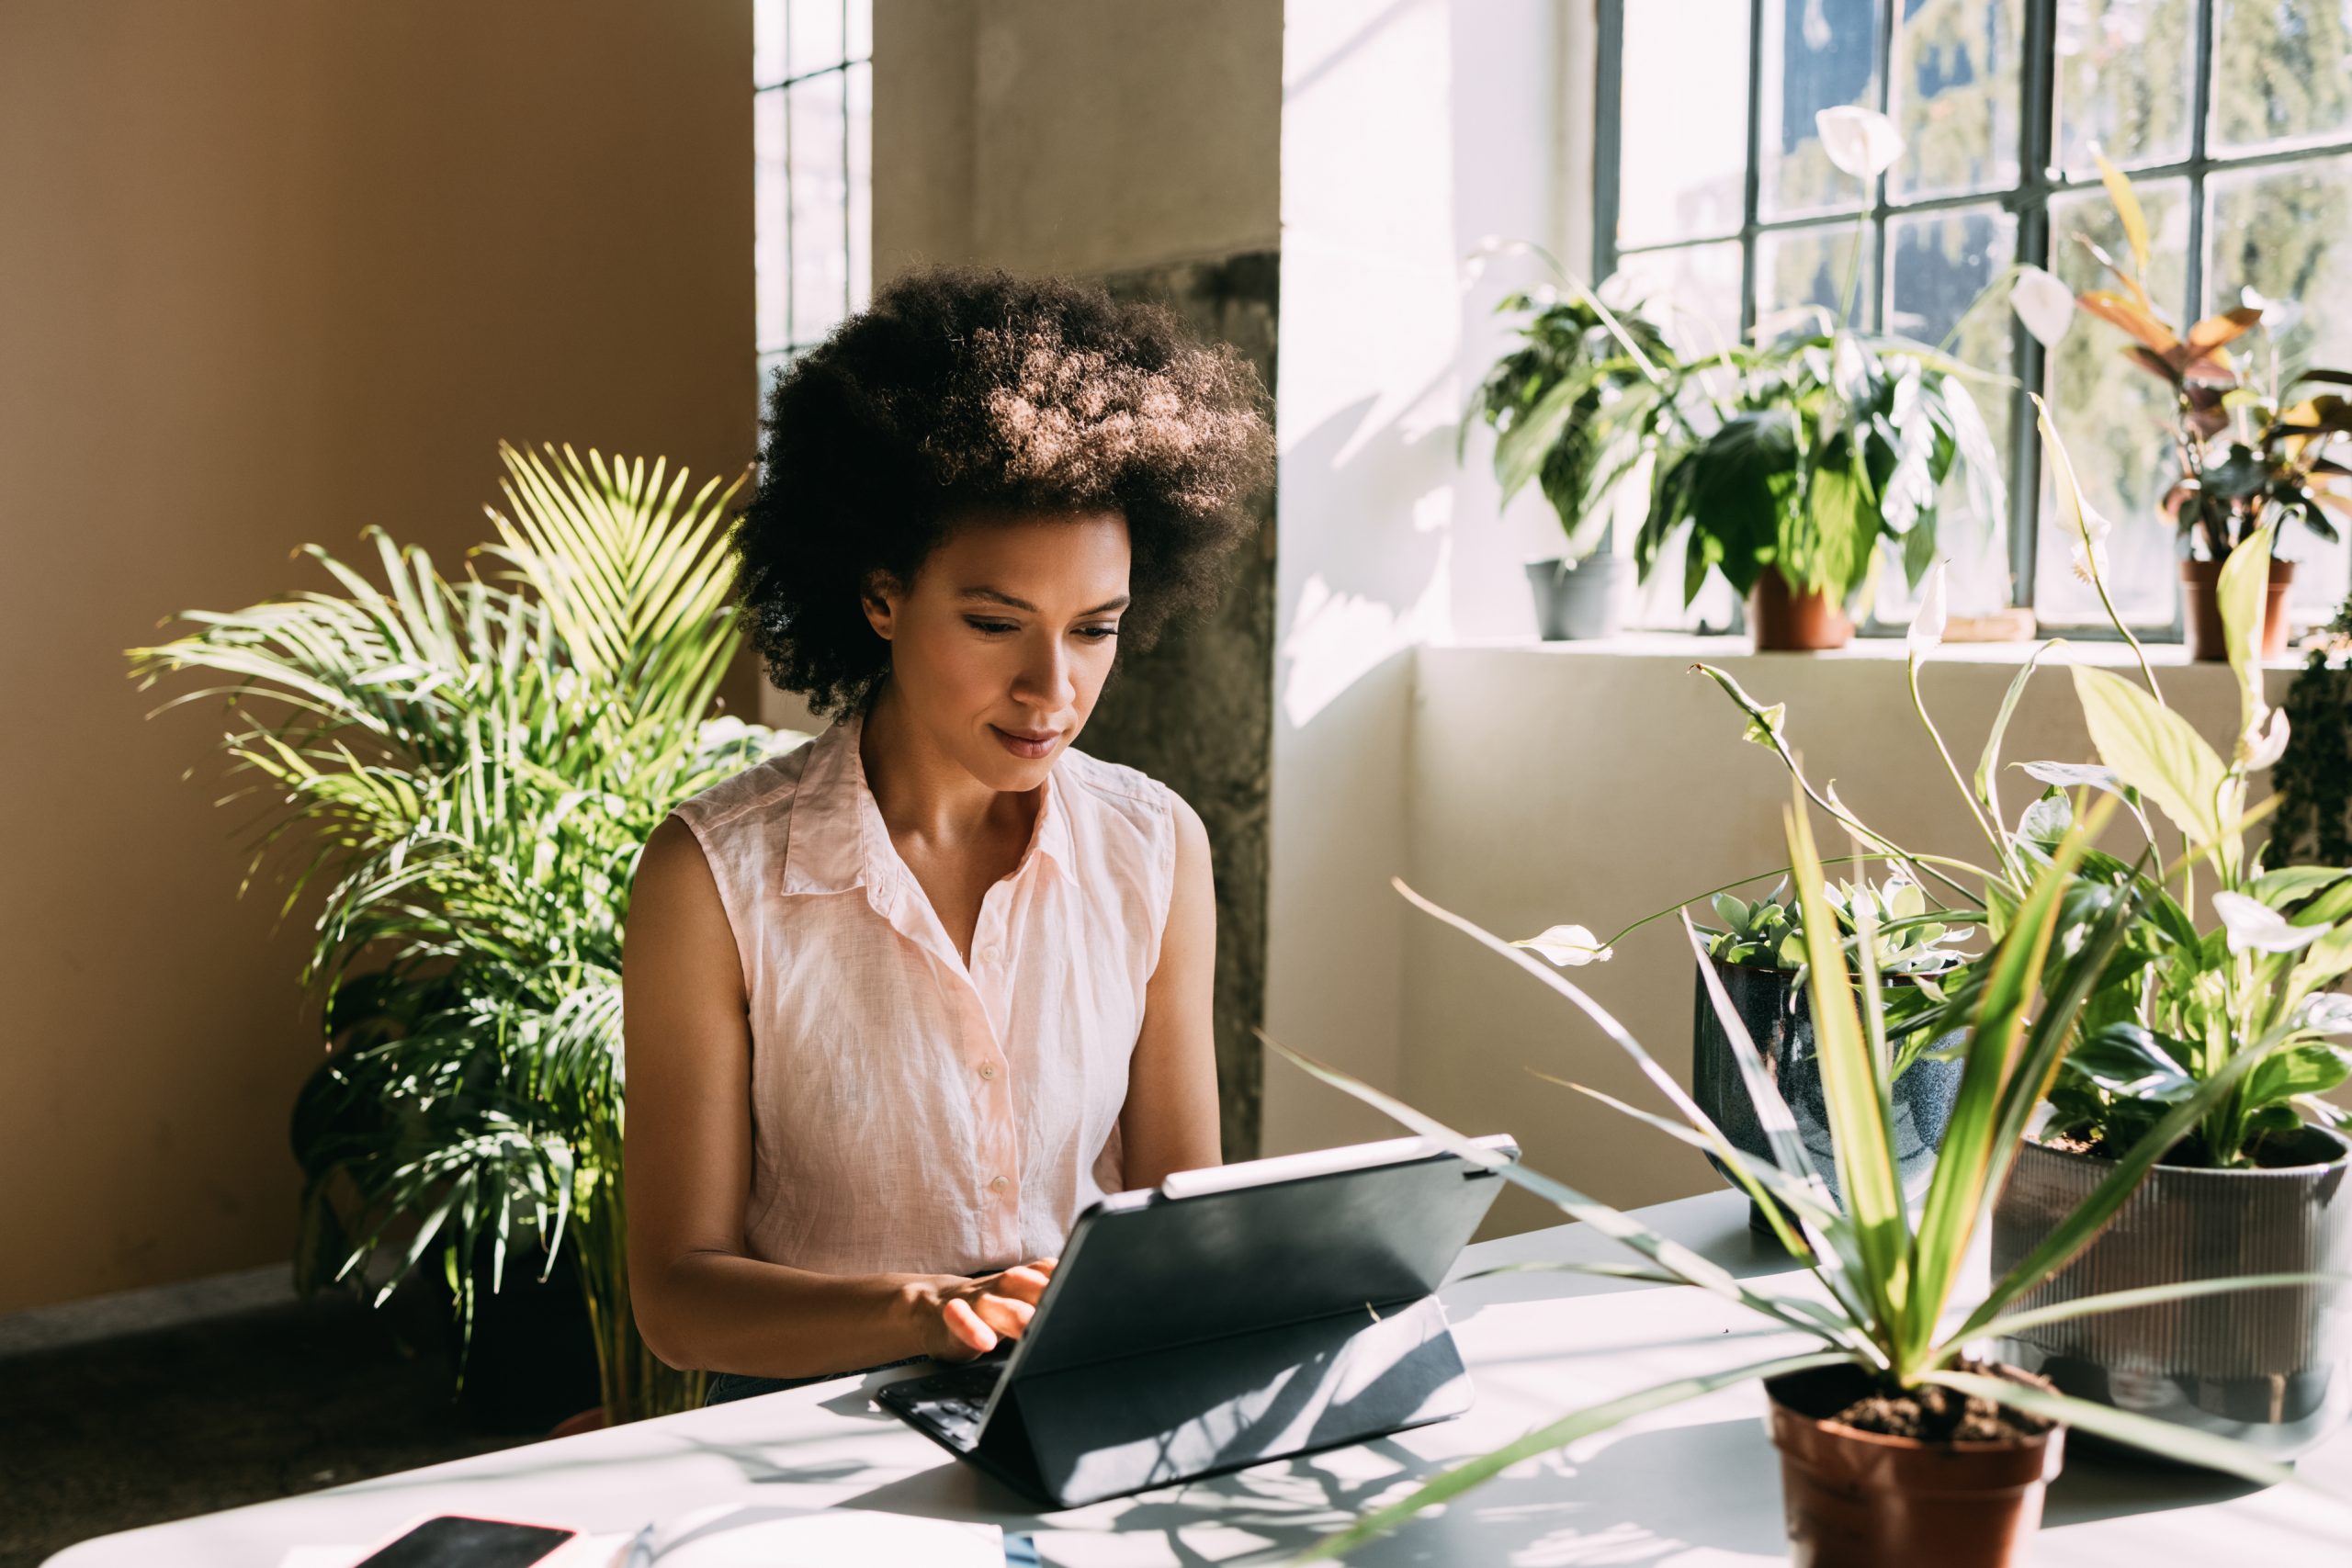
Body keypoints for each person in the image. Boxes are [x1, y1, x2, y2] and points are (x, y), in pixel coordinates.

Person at [621, 266, 1275, 1405]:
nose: (1052, 689)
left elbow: (1186, 1226)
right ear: (879, 597)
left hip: (1076, 1407)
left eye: (1096, 629)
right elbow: (680, 1300)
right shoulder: (713, 879)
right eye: (993, 623)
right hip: (809, 1448)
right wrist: (924, 1317)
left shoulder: (1154, 849)